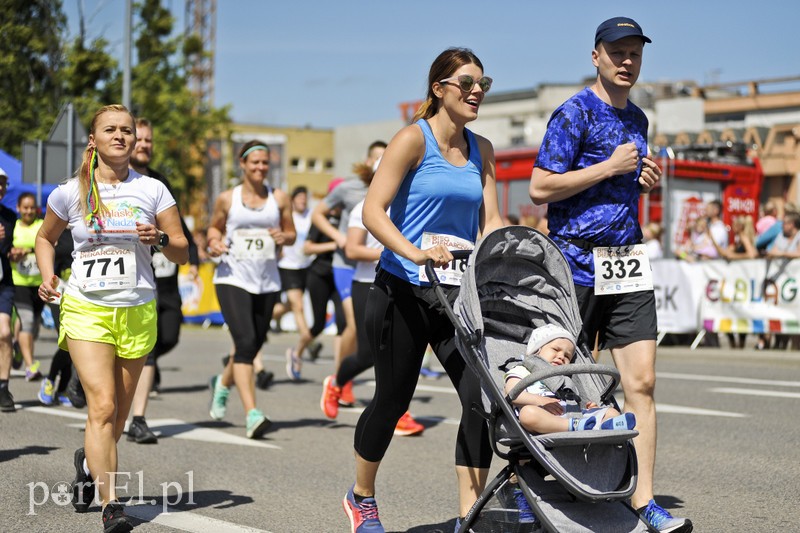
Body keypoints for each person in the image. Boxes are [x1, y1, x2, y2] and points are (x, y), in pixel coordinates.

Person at [528, 18, 692, 533]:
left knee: (641, 381)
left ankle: (642, 500)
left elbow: (618, 185)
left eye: (635, 53)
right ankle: (541, 489)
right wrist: (607, 168)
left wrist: (639, 180)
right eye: (617, 52)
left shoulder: (638, 119)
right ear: (595, 56)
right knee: (565, 383)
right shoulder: (573, 113)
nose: (627, 61)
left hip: (626, 263)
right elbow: (539, 188)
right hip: (574, 263)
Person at [344, 47, 503, 532]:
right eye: (467, 83)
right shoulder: (413, 140)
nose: (477, 91)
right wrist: (412, 252)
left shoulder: (484, 149)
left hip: (458, 296)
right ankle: (361, 497)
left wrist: (504, 258)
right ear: (439, 89)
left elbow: (491, 221)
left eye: (483, 84)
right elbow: (374, 210)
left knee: (481, 399)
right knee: (393, 399)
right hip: (404, 289)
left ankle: (467, 515)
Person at [35, 104, 188, 532]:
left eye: (127, 130)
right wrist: (49, 275)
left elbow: (182, 249)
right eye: (111, 130)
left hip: (136, 309)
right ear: (94, 139)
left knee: (116, 417)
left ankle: (87, 464)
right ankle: (112, 505)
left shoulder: (154, 190)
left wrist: (158, 238)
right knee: (101, 405)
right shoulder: (70, 191)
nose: (120, 136)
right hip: (86, 307)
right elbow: (45, 238)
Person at [206, 140, 295, 439]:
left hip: (267, 280)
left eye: (264, 163)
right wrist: (214, 242)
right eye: (254, 162)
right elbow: (214, 228)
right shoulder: (226, 199)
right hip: (233, 277)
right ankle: (252, 414)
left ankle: (222, 382)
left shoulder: (279, 198)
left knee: (253, 344)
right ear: (242, 165)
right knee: (244, 342)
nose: (260, 168)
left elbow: (292, 233)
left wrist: (284, 236)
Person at [320, 194, 424, 436]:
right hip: (367, 284)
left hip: (404, 283)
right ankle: (335, 383)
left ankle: (400, 412)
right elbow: (353, 249)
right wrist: (399, 251)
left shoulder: (415, 201)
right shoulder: (363, 206)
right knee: (368, 354)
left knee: (403, 351)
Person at [126, 117, 199, 444]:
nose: (144, 145)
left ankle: (144, 371)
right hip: (135, 278)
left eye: (148, 141)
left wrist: (192, 259)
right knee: (151, 345)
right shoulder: (117, 182)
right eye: (139, 140)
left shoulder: (160, 184)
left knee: (169, 335)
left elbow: (179, 231)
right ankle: (138, 419)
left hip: (166, 279)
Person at [310, 141, 385, 394]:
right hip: (347, 266)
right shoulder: (349, 190)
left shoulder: (401, 194)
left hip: (380, 272)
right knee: (353, 327)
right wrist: (339, 238)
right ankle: (341, 381)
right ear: (369, 163)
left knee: (387, 346)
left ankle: (345, 383)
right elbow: (318, 214)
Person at [504, 324, 636, 434]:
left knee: (611, 411)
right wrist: (542, 401)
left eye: (567, 356)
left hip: (572, 415)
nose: (561, 356)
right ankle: (576, 426)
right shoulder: (522, 369)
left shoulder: (566, 377)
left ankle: (604, 425)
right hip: (542, 414)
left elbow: (574, 401)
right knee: (527, 414)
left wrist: (589, 408)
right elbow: (512, 394)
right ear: (536, 350)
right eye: (556, 349)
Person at [276, 186, 320, 376]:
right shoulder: (287, 217)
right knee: (298, 305)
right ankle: (308, 340)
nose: (302, 200)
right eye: (299, 198)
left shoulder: (311, 216)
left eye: (305, 198)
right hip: (287, 266)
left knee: (290, 305)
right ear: (293, 200)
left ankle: (271, 315)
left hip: (305, 266)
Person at [37, 228, 76, 406]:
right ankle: (51, 380)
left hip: (82, 294)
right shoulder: (56, 228)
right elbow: (40, 247)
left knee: (76, 342)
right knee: (67, 338)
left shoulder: (90, 226)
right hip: (58, 292)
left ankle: (63, 388)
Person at [9, 192, 45, 381]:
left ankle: (17, 346)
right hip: (19, 282)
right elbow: (7, 249)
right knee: (27, 321)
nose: (29, 211)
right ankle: (30, 366)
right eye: (25, 207)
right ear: (18, 208)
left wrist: (28, 250)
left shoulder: (41, 225)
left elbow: (50, 243)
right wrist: (12, 253)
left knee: (34, 329)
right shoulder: (14, 228)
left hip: (39, 284)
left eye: (32, 207)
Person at [0, 168, 18, 413]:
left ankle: (3, 386)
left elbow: (6, 248)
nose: (0, 188)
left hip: (3, 282)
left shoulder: (9, 215)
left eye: (3, 184)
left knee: (4, 333)